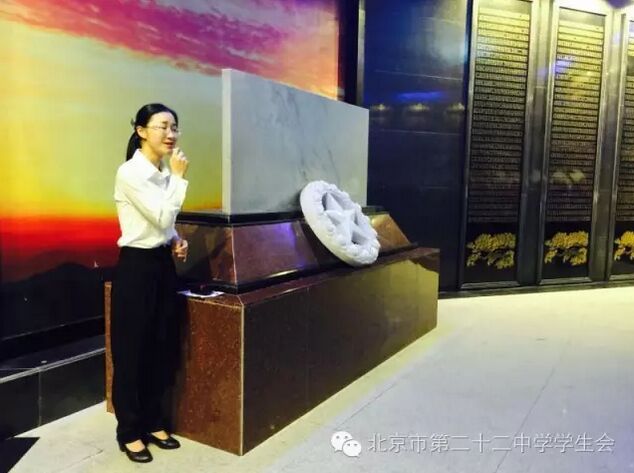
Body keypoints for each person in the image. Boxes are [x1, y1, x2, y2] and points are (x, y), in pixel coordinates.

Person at [111, 103, 189, 463]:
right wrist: (180, 178)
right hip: (136, 268)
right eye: (162, 127)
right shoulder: (130, 172)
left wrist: (174, 239)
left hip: (161, 264)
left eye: (174, 127)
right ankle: (129, 431)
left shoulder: (162, 171)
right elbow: (160, 213)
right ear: (141, 131)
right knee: (132, 351)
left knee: (161, 345)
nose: (170, 134)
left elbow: (162, 223)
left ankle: (154, 420)